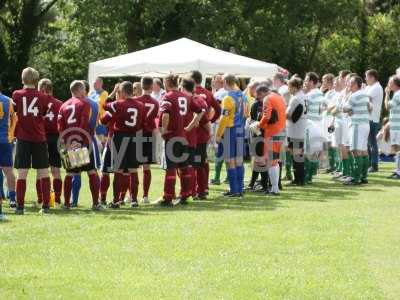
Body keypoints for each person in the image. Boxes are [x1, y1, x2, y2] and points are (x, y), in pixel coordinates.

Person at [12, 67, 51, 214]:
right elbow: (44, 114)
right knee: (43, 172)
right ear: (36, 80)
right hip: (39, 137)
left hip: (23, 137)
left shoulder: (16, 94)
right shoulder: (43, 96)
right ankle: (46, 206)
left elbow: (14, 112)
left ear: (23, 79)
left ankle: (20, 207)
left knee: (22, 173)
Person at [58, 80, 102, 210]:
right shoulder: (84, 103)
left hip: (68, 143)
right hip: (82, 141)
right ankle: (95, 203)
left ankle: (66, 204)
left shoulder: (63, 105)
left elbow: (60, 127)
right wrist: (78, 140)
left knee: (70, 173)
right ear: (79, 90)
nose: (85, 92)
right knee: (91, 171)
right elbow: (84, 123)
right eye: (83, 89)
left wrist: (67, 142)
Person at [102, 81, 144, 208]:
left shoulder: (119, 103)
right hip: (135, 137)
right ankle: (134, 199)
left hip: (120, 137)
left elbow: (104, 105)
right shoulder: (141, 105)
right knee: (133, 169)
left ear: (123, 91)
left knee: (118, 170)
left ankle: (116, 200)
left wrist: (113, 93)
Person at [158, 74, 192, 206]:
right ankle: (185, 194)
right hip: (183, 136)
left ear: (167, 82)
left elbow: (165, 114)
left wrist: (164, 129)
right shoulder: (186, 96)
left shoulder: (167, 96)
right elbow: (200, 111)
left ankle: (168, 197)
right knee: (184, 167)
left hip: (172, 136)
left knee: (171, 168)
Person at [216, 74, 247, 197]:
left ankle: (234, 190)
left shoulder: (228, 98)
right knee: (239, 160)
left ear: (225, 82)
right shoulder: (244, 96)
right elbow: (247, 114)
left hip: (230, 130)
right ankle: (240, 189)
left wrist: (218, 134)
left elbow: (224, 118)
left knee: (230, 161)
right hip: (241, 130)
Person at [251, 85, 287, 195]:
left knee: (271, 161)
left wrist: (259, 125)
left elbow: (267, 116)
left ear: (262, 93)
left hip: (272, 131)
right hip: (281, 130)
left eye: (259, 97)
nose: (259, 100)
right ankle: (274, 188)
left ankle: (274, 189)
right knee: (275, 160)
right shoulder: (279, 97)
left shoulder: (268, 98)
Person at [191, 70, 221, 197]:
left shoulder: (190, 93)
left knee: (193, 162)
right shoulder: (208, 93)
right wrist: (211, 120)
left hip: (192, 131)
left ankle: (197, 189)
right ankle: (204, 187)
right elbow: (218, 109)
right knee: (203, 160)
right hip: (204, 132)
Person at [181, 77, 208, 200]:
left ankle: (192, 191)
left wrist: (191, 125)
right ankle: (199, 190)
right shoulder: (199, 99)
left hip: (191, 138)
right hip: (196, 139)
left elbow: (204, 118)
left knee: (191, 165)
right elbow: (212, 112)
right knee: (196, 165)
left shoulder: (192, 100)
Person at [134, 76, 159, 203]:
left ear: (141, 85)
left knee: (132, 167)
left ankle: (131, 196)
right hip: (148, 135)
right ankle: (145, 196)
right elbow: (154, 120)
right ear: (151, 86)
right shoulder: (155, 103)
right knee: (146, 167)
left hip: (136, 135)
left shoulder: (135, 100)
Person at [342, 75, 371, 185]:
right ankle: (364, 177)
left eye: (350, 83)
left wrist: (348, 107)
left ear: (355, 84)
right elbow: (369, 107)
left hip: (357, 125)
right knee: (363, 151)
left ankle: (356, 178)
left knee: (355, 151)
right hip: (365, 124)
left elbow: (345, 108)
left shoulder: (353, 96)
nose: (348, 84)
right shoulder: (364, 94)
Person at [38, 79, 63, 206]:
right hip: (57, 138)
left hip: (41, 138)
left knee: (41, 170)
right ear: (51, 89)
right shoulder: (60, 103)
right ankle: (57, 199)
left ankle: (41, 199)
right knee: (56, 170)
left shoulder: (38, 102)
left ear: (41, 89)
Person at [303, 72, 327, 184]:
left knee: (308, 151)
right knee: (314, 151)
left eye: (306, 80)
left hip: (310, 125)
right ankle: (311, 175)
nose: (305, 82)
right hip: (318, 124)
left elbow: (304, 110)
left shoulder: (310, 94)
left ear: (312, 82)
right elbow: (324, 107)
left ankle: (308, 176)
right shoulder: (320, 94)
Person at [0, 81, 17, 219]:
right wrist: (11, 135)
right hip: (5, 140)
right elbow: (14, 120)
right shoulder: (9, 101)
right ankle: (12, 199)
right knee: (8, 171)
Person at [286, 76, 307, 185]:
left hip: (295, 129)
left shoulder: (296, 98)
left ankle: (299, 179)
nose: (288, 89)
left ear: (294, 87)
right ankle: (299, 178)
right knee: (297, 154)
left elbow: (290, 115)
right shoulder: (303, 96)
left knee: (296, 155)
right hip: (300, 128)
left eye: (289, 86)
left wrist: (284, 114)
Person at [364, 69, 383, 172]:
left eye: (366, 76)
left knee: (372, 142)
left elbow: (365, 98)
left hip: (372, 118)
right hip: (369, 118)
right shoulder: (370, 87)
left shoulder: (376, 87)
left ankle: (374, 165)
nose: (365, 79)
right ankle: (370, 163)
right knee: (369, 142)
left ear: (372, 77)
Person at [321, 73, 338, 173]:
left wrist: (325, 106)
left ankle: (334, 165)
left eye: (324, 80)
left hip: (330, 119)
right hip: (325, 118)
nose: (323, 82)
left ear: (329, 81)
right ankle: (330, 165)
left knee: (332, 143)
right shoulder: (327, 93)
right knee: (327, 143)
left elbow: (331, 106)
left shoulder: (334, 93)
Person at [384, 75, 400, 179]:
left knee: (398, 148)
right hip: (396, 125)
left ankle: (399, 171)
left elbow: (387, 106)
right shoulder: (396, 94)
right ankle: (397, 170)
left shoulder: (398, 94)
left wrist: (386, 94)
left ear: (395, 84)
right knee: (396, 147)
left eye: (390, 82)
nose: (388, 84)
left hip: (398, 126)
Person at [89, 77, 109, 148]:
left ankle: (102, 158)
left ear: (100, 83)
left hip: (100, 122)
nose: (93, 85)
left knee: (101, 142)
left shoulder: (104, 93)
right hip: (91, 122)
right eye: (93, 83)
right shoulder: (91, 93)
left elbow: (99, 106)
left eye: (95, 83)